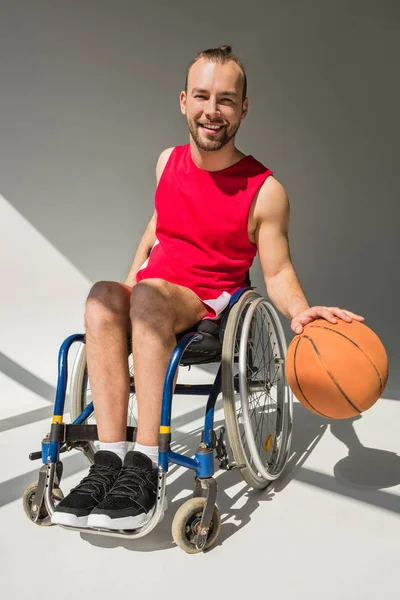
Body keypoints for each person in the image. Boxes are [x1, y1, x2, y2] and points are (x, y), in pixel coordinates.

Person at [52, 45, 364, 530]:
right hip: (153, 292)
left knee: (150, 295)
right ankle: (109, 460)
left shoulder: (264, 190)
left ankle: (146, 465)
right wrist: (128, 284)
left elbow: (277, 271)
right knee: (101, 296)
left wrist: (300, 312)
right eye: (201, 96)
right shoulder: (166, 162)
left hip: (206, 308)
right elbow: (158, 227)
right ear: (183, 101)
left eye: (225, 99)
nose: (211, 110)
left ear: (243, 107)